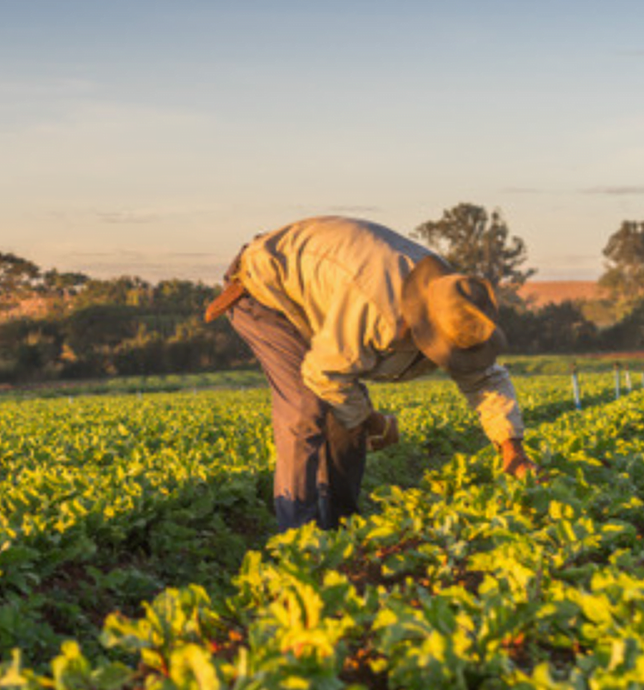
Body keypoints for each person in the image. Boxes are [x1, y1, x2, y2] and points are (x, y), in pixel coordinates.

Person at [204, 216, 536, 533]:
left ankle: (341, 528)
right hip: (265, 290)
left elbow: (486, 379)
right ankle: (297, 540)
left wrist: (512, 451)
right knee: (306, 408)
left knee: (345, 423)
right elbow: (325, 374)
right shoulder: (377, 307)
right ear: (416, 328)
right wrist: (371, 420)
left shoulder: (456, 304)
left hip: (324, 306)